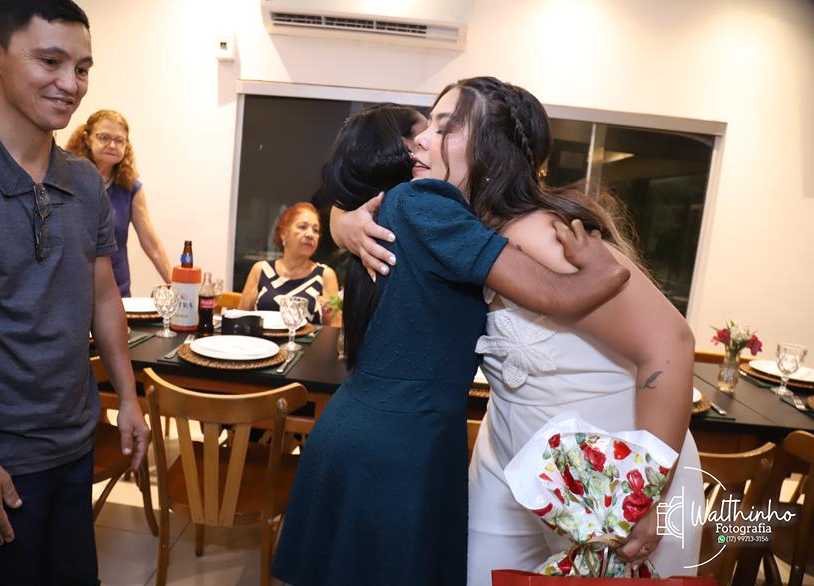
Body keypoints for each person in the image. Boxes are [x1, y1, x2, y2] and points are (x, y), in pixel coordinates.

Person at [335, 78, 703, 581]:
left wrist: (648, 494)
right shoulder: (461, 236)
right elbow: (349, 190)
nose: (420, 138)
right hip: (510, 465)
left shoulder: (541, 234)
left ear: (491, 149)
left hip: (615, 476)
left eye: (444, 127)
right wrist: (344, 224)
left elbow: (671, 344)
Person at [270, 100, 630, 585]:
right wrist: (607, 268)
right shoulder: (423, 204)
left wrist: (341, 219)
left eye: (443, 130)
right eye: (425, 132)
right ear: (404, 154)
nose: (428, 141)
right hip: (399, 445)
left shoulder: (394, 211)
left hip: (373, 430)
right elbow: (557, 295)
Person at [0, 2, 149, 585]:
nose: (70, 84)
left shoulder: (84, 180)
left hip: (74, 445)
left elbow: (104, 298)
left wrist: (128, 398)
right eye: (50, 62)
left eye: (82, 68)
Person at [65, 110, 171, 297]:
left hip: (116, 293)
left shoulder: (131, 188)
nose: (112, 145)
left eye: (119, 140)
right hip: (71, 291)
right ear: (87, 139)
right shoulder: (65, 180)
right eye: (104, 137)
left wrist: (178, 287)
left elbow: (151, 245)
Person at [237, 202, 341, 325]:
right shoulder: (261, 269)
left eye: (315, 230)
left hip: (306, 338)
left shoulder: (325, 275)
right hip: (262, 337)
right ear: (283, 233)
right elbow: (241, 318)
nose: (310, 234)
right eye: (302, 227)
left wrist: (328, 312)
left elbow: (334, 325)